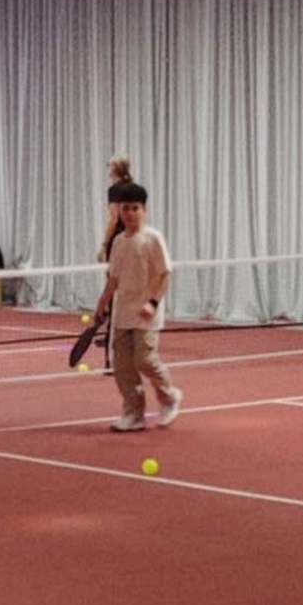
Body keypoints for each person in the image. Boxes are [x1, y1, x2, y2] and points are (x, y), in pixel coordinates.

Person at [101, 163, 179, 427]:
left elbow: (164, 274)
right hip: (122, 312)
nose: (130, 213)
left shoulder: (153, 238)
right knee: (122, 367)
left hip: (146, 312)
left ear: (143, 210)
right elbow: (113, 278)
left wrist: (153, 302)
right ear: (119, 212)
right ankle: (134, 414)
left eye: (135, 208)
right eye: (126, 208)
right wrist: (101, 304)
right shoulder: (119, 242)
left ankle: (169, 395)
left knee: (143, 359)